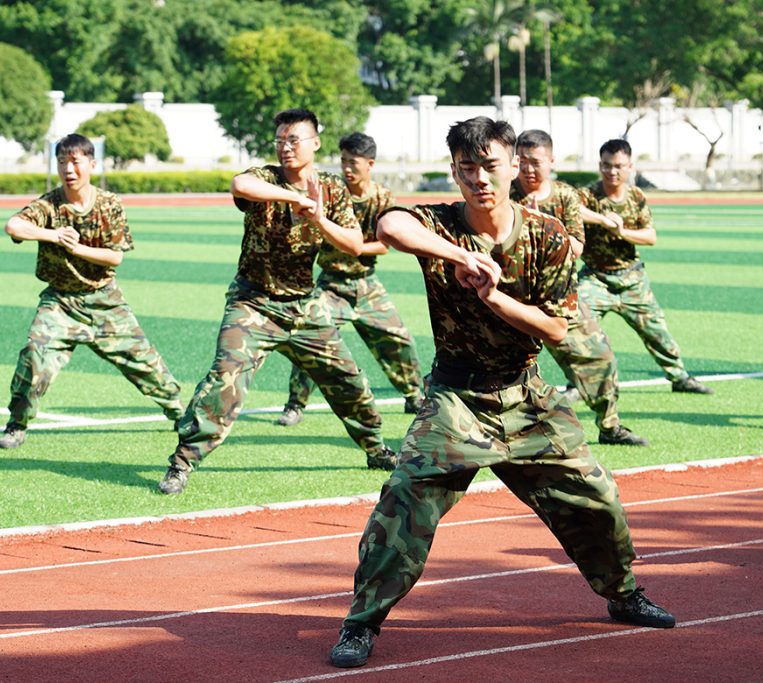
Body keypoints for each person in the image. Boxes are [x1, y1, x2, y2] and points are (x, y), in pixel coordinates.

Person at [328, 117, 674, 669]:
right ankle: (360, 624)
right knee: (403, 505)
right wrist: (458, 256)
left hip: (526, 397)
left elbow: (557, 329)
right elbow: (390, 226)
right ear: (455, 173)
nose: (480, 179)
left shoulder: (548, 236)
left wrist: (494, 297)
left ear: (515, 166)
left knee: (596, 499)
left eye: (491, 166)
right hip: (454, 399)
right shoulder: (437, 224)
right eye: (468, 169)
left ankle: (623, 593)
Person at [158, 109, 396, 495]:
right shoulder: (266, 177)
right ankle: (182, 462)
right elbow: (240, 185)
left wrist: (317, 216)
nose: (286, 147)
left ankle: (375, 447)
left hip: (305, 305)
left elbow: (353, 245)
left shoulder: (332, 189)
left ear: (315, 143)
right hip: (253, 302)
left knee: (349, 381)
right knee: (226, 377)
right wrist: (293, 196)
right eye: (280, 140)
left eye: (293, 140)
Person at [0, 133, 183, 449]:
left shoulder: (110, 204)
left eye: (75, 161)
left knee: (146, 364)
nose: (68, 169)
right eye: (61, 162)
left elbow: (115, 256)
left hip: (104, 300)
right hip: (60, 301)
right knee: (34, 356)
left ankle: (180, 414)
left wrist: (78, 248)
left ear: (91, 164)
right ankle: (17, 425)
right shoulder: (48, 204)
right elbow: (14, 226)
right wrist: (53, 236)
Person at [277, 132, 423, 427]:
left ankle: (414, 395)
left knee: (399, 340)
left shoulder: (382, 197)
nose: (346, 168)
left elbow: (385, 244)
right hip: (331, 284)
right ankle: (295, 404)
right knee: (311, 338)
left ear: (369, 164)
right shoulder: (331, 192)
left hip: (366, 284)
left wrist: (351, 245)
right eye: (342, 160)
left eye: (352, 162)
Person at [511, 129, 647, 446]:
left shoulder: (565, 197)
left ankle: (610, 426)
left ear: (551, 161)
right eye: (524, 162)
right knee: (508, 369)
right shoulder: (504, 194)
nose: (530, 169)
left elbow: (575, 247)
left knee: (600, 357)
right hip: (515, 297)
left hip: (559, 296)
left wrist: (538, 222)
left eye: (537, 162)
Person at [576, 139, 712, 394]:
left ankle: (679, 377)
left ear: (630, 167)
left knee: (656, 330)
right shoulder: (588, 195)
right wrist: (604, 220)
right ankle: (579, 383)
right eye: (606, 165)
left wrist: (622, 231)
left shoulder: (636, 196)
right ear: (599, 165)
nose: (612, 172)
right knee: (578, 326)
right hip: (596, 278)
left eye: (618, 166)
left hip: (631, 279)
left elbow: (650, 236)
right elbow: (572, 209)